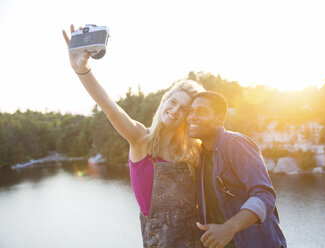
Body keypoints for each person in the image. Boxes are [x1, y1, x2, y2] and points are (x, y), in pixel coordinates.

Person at [62, 24, 204, 247]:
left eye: (184, 109)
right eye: (173, 102)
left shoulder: (193, 149)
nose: (175, 111)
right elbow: (109, 107)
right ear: (164, 100)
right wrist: (82, 70)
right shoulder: (140, 138)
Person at [187, 91, 287, 248]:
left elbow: (264, 195)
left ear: (220, 118)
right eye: (191, 111)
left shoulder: (235, 144)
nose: (191, 117)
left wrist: (229, 228)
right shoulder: (202, 154)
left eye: (201, 111)